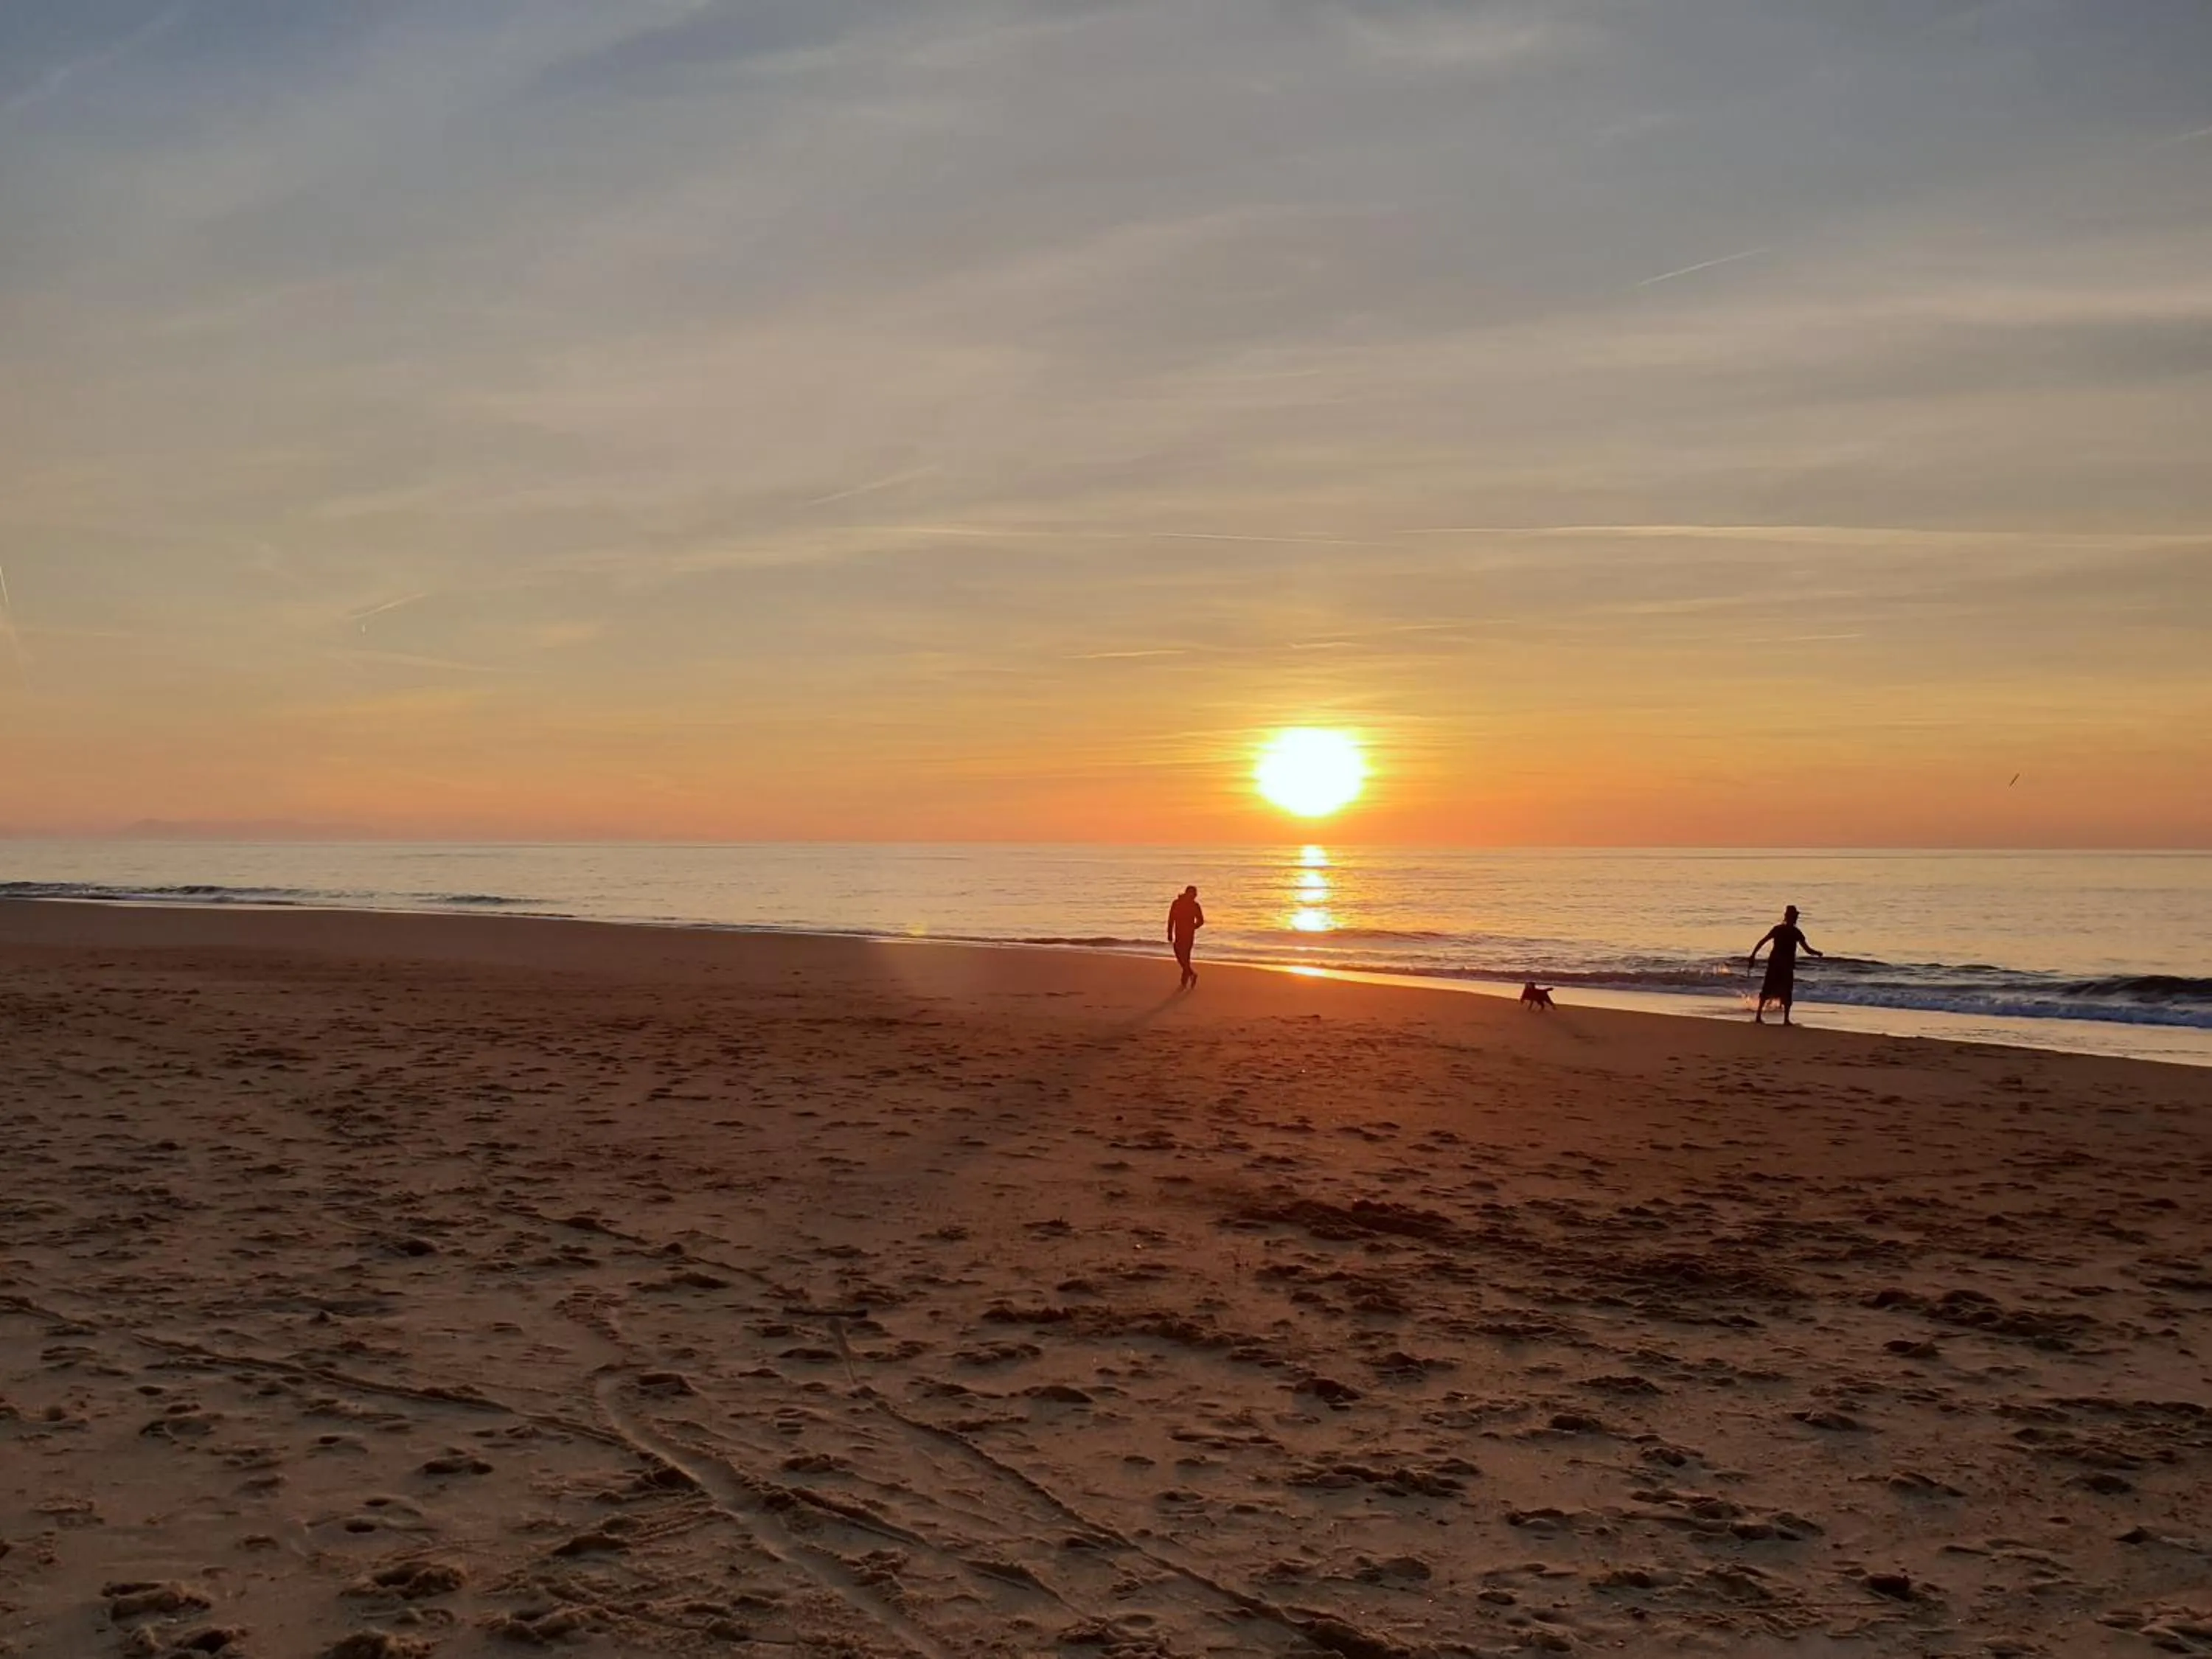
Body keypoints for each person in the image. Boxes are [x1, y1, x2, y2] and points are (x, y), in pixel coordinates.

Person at [1747, 904, 1823, 1025]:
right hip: (1784, 966)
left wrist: (1753, 955)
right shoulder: (1794, 932)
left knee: (1769, 989)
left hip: (1776, 964)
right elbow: (1807, 950)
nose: (1796, 918)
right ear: (1792, 918)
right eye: (1795, 916)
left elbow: (1762, 941)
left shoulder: (1781, 930)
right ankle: (1784, 1020)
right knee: (1785, 991)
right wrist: (1817, 953)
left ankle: (1760, 1016)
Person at [1166, 885, 1205, 988]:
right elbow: (1171, 919)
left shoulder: (1195, 906)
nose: (1193, 896)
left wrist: (1193, 927)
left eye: (1194, 894)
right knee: (1179, 955)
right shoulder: (1176, 903)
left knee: (1185, 957)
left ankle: (1184, 981)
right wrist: (1169, 933)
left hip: (1189, 935)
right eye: (1191, 894)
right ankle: (1191, 974)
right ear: (1186, 893)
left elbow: (1201, 921)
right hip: (1178, 934)